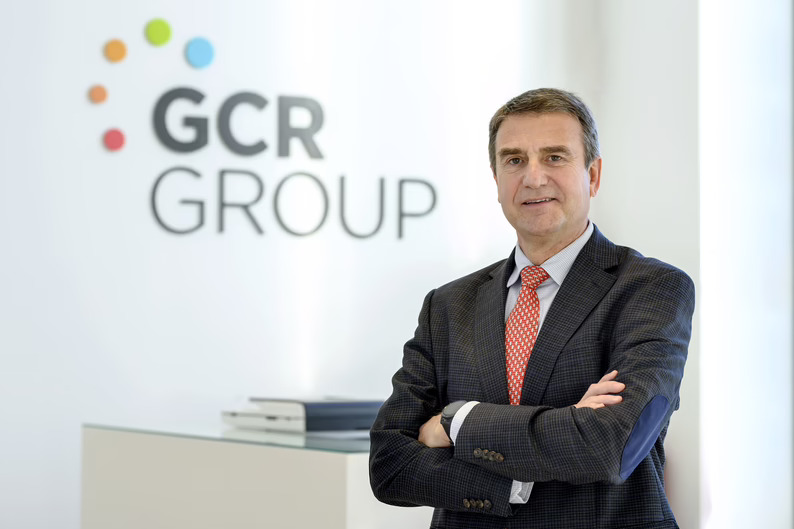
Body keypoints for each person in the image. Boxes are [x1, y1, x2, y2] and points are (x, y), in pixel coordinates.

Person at [369, 88, 695, 529]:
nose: (534, 177)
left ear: (593, 175)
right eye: (514, 160)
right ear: (496, 178)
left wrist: (456, 421)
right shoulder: (446, 305)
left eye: (555, 157)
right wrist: (516, 479)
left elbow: (610, 446)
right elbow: (389, 465)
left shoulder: (650, 289)